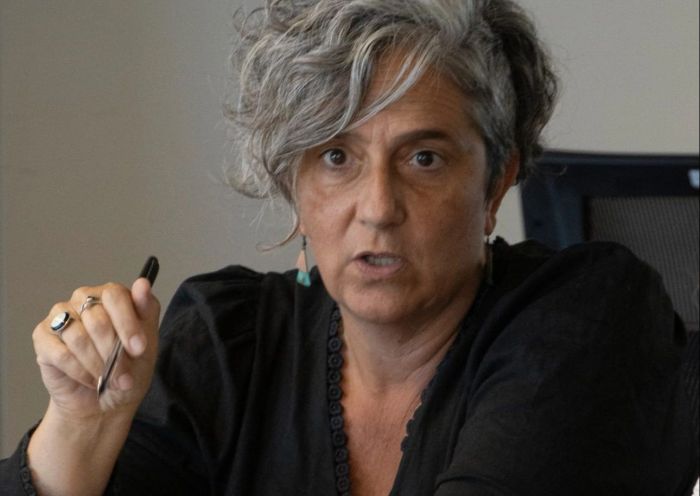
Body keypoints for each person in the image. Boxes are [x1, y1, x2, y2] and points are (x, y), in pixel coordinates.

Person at [1, 0, 697, 494]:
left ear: (495, 184)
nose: (378, 208)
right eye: (336, 157)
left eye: (424, 158)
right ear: (294, 185)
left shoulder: (586, 317)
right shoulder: (229, 339)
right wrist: (81, 428)